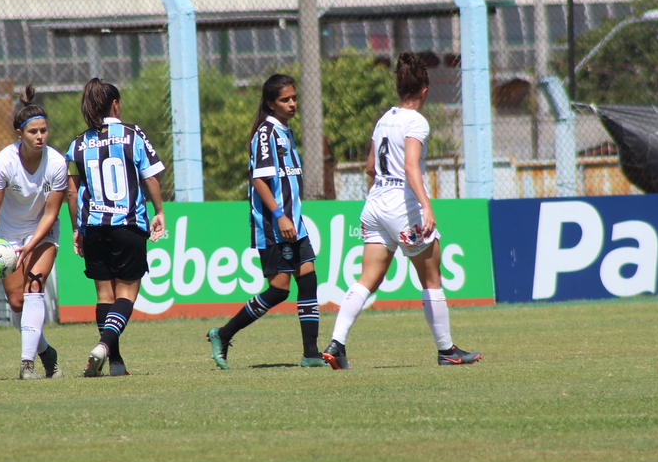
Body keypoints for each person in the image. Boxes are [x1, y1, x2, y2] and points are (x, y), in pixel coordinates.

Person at [321, 52, 481, 370]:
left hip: (375, 204)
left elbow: (370, 166)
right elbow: (410, 166)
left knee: (367, 279)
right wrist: (426, 206)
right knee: (432, 279)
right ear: (424, 89)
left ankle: (336, 344)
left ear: (399, 87)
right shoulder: (416, 121)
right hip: (402, 207)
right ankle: (446, 350)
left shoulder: (384, 119)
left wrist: (382, 194)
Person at [206, 74, 325, 370]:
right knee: (279, 290)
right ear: (271, 104)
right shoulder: (265, 133)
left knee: (308, 280)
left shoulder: (285, 130)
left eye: (294, 98)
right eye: (285, 99)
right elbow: (259, 180)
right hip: (275, 224)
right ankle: (223, 334)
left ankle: (311, 353)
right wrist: (280, 215)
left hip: (294, 223)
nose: (292, 103)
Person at [66, 78, 165, 377]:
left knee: (104, 297)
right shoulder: (132, 135)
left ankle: (116, 362)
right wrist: (159, 211)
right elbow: (150, 177)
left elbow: (71, 191)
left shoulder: (77, 144)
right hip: (128, 225)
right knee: (126, 296)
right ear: (115, 104)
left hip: (94, 227)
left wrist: (76, 229)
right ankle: (104, 346)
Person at [0, 85, 67, 380]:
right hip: (8, 234)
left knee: (34, 287)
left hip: (41, 231)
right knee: (17, 302)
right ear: (19, 134)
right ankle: (46, 352)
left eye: (44, 131)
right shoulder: (3, 162)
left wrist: (31, 244)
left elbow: (51, 214)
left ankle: (27, 365)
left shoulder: (57, 163)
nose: (40, 136)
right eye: (33, 132)